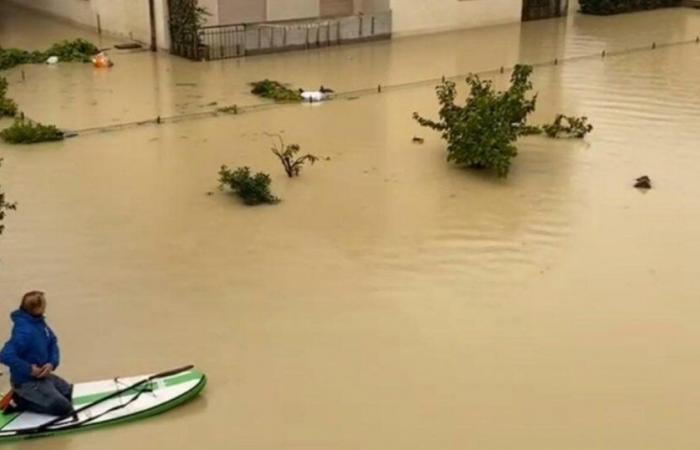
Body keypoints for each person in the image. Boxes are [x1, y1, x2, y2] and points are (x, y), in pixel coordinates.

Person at [0, 291, 75, 417]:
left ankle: (41, 395)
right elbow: (5, 355)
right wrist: (29, 369)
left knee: (67, 392)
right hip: (26, 382)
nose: (46, 307)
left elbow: (52, 341)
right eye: (44, 304)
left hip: (42, 376)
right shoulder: (23, 332)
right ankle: (20, 401)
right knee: (64, 408)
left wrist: (51, 363)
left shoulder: (39, 322)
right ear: (37, 308)